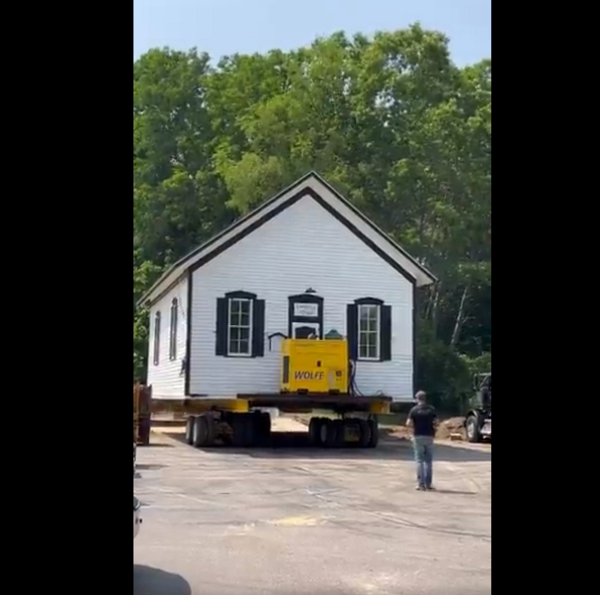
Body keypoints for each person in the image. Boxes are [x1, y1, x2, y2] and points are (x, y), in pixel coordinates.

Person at [406, 391, 438, 491]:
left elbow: (408, 423)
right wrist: (433, 428)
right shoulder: (431, 409)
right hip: (429, 436)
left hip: (418, 436)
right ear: (425, 398)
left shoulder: (414, 410)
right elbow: (437, 422)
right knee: (428, 461)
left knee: (419, 460)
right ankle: (428, 484)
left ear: (417, 399)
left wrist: (413, 430)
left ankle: (420, 484)